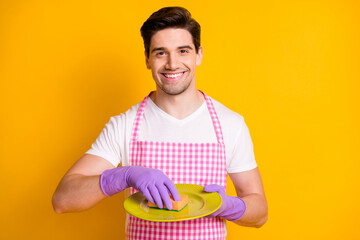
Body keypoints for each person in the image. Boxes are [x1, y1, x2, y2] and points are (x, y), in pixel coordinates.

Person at [52, 6, 268, 240]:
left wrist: (228, 206)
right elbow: (62, 200)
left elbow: (260, 213)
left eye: (183, 51)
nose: (172, 64)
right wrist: (123, 176)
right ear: (147, 59)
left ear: (199, 55)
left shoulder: (230, 124)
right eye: (160, 53)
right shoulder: (125, 125)